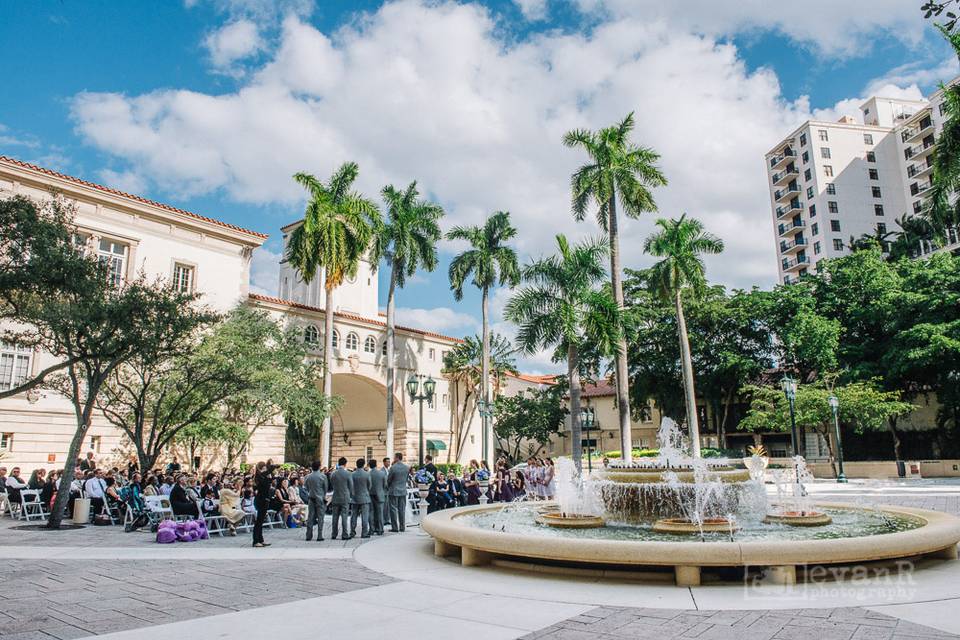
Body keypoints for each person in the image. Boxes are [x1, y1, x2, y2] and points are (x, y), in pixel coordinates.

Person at [329, 457, 353, 540]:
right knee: (344, 517)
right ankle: (345, 534)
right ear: (345, 464)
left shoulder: (333, 473)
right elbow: (351, 486)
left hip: (335, 496)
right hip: (345, 497)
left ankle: (334, 534)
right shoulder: (348, 474)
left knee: (335, 517)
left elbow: (331, 483)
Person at [304, 460, 328, 542]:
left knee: (310, 517)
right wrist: (322, 494)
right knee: (320, 517)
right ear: (319, 467)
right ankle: (319, 535)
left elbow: (306, 487)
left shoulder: (308, 476)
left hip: (311, 498)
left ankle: (308, 535)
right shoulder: (323, 476)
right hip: (320, 498)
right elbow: (325, 488)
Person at [252, 461, 275, 547]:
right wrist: (269, 472)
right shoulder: (259, 476)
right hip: (261, 500)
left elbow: (269, 483)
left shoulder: (263, 476)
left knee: (261, 521)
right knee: (259, 521)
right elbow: (264, 485)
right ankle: (255, 540)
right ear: (260, 469)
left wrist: (269, 477)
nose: (266, 470)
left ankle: (261, 539)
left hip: (265, 499)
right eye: (264, 468)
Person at [386, 452, 409, 532]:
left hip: (394, 490)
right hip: (403, 490)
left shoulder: (393, 468)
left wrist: (388, 487)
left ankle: (395, 527)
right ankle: (402, 527)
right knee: (402, 509)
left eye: (394, 457)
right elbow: (406, 479)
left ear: (397, 458)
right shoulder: (406, 467)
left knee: (393, 509)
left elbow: (389, 480)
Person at [350, 458, 372, 538]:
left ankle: (352, 532)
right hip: (364, 497)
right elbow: (370, 486)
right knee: (365, 516)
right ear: (363, 465)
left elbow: (350, 486)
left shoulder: (352, 474)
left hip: (355, 497)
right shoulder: (367, 474)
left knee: (353, 516)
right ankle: (364, 533)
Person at [368, 459, 387, 536]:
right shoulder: (382, 473)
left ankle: (372, 529)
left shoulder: (368, 474)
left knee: (371, 512)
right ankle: (380, 529)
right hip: (380, 494)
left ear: (369, 465)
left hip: (370, 495)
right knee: (380, 513)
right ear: (376, 464)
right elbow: (385, 485)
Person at [381, 457, 392, 525]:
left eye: (389, 461)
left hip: (389, 490)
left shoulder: (389, 470)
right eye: (387, 462)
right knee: (384, 506)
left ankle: (387, 519)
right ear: (384, 462)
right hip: (384, 490)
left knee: (388, 506)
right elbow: (384, 481)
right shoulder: (382, 471)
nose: (389, 463)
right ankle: (384, 520)